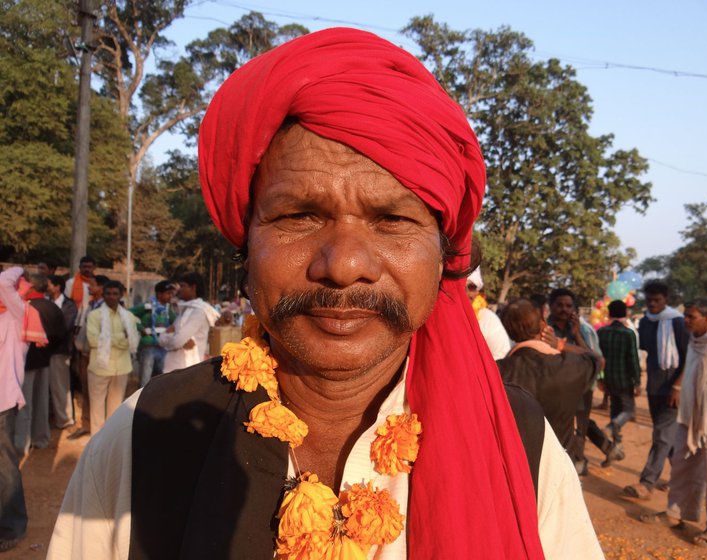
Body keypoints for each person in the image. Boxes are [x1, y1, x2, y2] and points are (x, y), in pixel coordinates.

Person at [49, 28, 603, 559]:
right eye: (298, 215)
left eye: (391, 219)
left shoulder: (518, 446)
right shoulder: (146, 435)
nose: (343, 266)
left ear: (443, 258)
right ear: (246, 249)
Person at [640, 299, 707, 548]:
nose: (686, 320)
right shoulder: (694, 343)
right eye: (685, 316)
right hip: (689, 419)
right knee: (682, 469)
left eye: (691, 317)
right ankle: (676, 514)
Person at [498, 298, 598, 456]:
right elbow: (596, 359)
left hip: (517, 467)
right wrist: (561, 344)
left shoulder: (496, 372)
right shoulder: (571, 367)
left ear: (507, 330)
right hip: (561, 466)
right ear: (543, 324)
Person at [624, 280, 688, 500]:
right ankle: (683, 479)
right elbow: (648, 354)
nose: (652, 304)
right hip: (654, 387)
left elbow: (690, 359)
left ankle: (646, 483)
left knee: (662, 436)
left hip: (675, 390)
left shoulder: (679, 323)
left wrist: (678, 386)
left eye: (657, 300)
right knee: (667, 440)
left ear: (666, 300)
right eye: (649, 300)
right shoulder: (645, 323)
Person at [547, 288, 615, 475]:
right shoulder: (545, 328)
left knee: (579, 429)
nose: (564, 309)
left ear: (574, 309)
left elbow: (596, 361)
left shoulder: (585, 329)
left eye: (568, 306)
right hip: (552, 387)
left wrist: (576, 336)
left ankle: (578, 465)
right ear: (551, 306)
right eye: (559, 305)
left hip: (581, 389)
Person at [0, 267, 43, 552]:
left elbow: (4, 281)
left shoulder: (20, 314)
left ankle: (13, 526)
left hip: (3, 402)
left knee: (5, 467)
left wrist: (16, 270)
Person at [14, 274, 65, 456]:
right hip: (45, 360)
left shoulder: (23, 307)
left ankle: (22, 443)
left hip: (25, 362)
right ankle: (41, 439)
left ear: (31, 287)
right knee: (42, 401)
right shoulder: (52, 307)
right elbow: (61, 335)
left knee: (24, 404)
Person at [85, 281, 139, 436]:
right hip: (100, 368)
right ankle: (96, 444)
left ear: (121, 295)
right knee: (97, 409)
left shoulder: (128, 317)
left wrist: (108, 339)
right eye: (108, 293)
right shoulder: (94, 316)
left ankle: (109, 442)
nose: (111, 297)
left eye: (115, 294)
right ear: (103, 295)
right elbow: (93, 341)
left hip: (121, 368)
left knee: (115, 410)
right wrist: (122, 337)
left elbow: (133, 342)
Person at [67, 274, 109, 440]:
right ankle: (87, 424)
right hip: (84, 353)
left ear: (101, 288)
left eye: (92, 285)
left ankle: (101, 428)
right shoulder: (90, 305)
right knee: (86, 389)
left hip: (99, 355)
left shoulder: (108, 308)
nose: (89, 288)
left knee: (99, 392)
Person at [597, 300, 641, 449]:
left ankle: (617, 443)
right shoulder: (628, 334)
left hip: (609, 379)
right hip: (624, 380)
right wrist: (637, 382)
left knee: (615, 408)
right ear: (626, 314)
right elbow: (633, 360)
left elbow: (598, 357)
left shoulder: (601, 332)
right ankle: (612, 427)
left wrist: (600, 378)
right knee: (628, 410)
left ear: (609, 314)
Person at [158, 272, 219, 373]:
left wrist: (172, 338)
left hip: (188, 368)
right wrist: (175, 339)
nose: (179, 289)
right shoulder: (185, 310)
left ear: (193, 288)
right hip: (175, 368)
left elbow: (177, 341)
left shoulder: (199, 311)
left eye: (183, 286)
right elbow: (161, 339)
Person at [130, 280, 176, 387]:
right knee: (145, 381)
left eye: (171, 293)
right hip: (148, 347)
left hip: (163, 348)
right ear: (159, 294)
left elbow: (176, 322)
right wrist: (140, 328)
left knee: (162, 378)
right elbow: (127, 314)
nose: (170, 296)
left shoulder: (168, 309)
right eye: (168, 293)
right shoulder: (146, 307)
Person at [47, 275, 77, 431]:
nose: (47, 287)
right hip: (46, 352)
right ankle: (53, 416)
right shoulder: (47, 302)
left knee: (61, 387)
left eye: (49, 284)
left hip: (60, 351)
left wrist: (44, 334)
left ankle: (65, 420)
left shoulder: (69, 305)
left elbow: (64, 328)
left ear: (57, 287)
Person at [466, 266, 511, 359]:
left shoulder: (487, 318)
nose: (465, 292)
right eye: (460, 286)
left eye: (471, 287)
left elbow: (501, 356)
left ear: (477, 291)